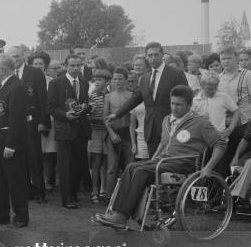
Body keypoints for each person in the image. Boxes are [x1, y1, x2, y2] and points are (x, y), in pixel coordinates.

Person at [96, 86, 226, 227]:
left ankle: (121, 216)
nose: (174, 108)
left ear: (189, 105)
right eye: (172, 103)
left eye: (179, 104)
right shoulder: (166, 120)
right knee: (131, 166)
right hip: (164, 161)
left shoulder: (201, 123)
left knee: (141, 171)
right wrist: (153, 159)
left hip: (184, 163)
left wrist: (208, 167)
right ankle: (116, 213)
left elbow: (220, 144)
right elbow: (163, 144)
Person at [107, 42, 188, 157]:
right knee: (153, 166)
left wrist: (179, 121)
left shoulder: (176, 74)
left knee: (170, 165)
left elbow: (186, 99)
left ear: (162, 55)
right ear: (146, 57)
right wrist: (117, 114)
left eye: (156, 55)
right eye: (150, 55)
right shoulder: (145, 78)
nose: (153, 58)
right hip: (151, 129)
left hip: (171, 127)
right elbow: (136, 98)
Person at [0, 54, 28, 226]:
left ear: (2, 70)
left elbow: (16, 120)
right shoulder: (3, 86)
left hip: (8, 146)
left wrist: (10, 146)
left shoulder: (16, 87)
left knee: (15, 182)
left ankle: (21, 217)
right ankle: (1, 215)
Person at [47, 54, 91, 209]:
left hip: (81, 129)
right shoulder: (56, 83)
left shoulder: (85, 83)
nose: (75, 68)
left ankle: (73, 194)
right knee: (65, 165)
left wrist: (86, 108)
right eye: (72, 65)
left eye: (78, 65)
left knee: (78, 164)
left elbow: (86, 104)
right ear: (65, 65)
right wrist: (65, 115)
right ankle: (67, 199)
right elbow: (51, 108)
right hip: (64, 129)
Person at [9, 45, 50, 202]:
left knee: (34, 158)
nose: (15, 59)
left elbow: (42, 98)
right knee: (19, 158)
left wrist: (43, 121)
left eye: (18, 56)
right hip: (14, 123)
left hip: (32, 121)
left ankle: (40, 192)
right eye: (12, 56)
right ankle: (26, 191)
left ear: (23, 56)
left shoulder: (35, 72)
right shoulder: (8, 73)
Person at [217, 47, 251, 169]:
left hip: (243, 124)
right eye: (223, 59)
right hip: (224, 125)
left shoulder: (247, 75)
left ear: (236, 59)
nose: (226, 61)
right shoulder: (218, 78)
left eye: (229, 58)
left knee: (238, 161)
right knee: (224, 159)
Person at [104, 67, 134, 195]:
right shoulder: (108, 96)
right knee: (112, 167)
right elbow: (105, 117)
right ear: (111, 81)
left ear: (126, 80)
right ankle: (109, 195)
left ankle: (130, 194)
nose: (117, 81)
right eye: (115, 79)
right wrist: (111, 133)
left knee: (130, 165)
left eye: (120, 79)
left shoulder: (132, 95)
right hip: (114, 133)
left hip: (128, 133)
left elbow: (134, 118)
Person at [30, 51, 57, 193]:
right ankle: (33, 180)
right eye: (35, 63)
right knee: (34, 153)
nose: (38, 66)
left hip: (48, 119)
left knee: (48, 153)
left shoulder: (51, 81)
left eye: (40, 63)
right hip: (32, 121)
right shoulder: (27, 79)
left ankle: (47, 181)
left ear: (45, 65)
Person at [88, 69, 111, 203]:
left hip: (109, 133)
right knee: (96, 163)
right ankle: (94, 191)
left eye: (100, 80)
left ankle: (105, 190)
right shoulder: (92, 96)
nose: (97, 82)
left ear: (107, 82)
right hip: (96, 132)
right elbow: (90, 116)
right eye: (95, 79)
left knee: (107, 163)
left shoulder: (111, 95)